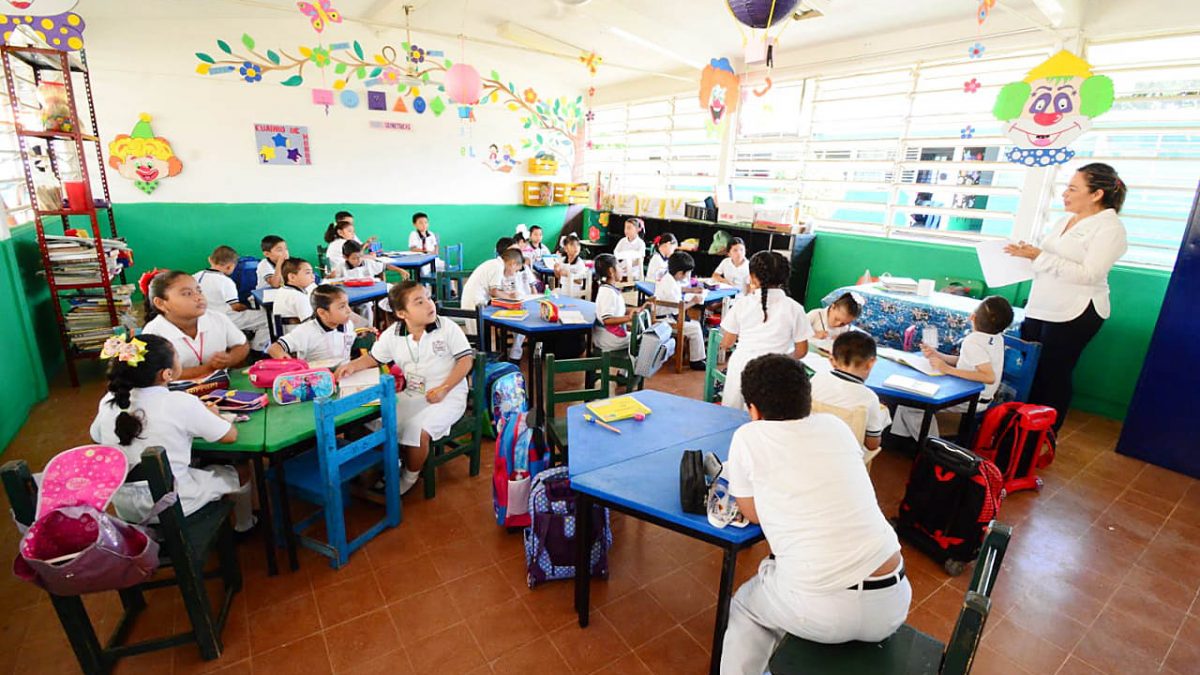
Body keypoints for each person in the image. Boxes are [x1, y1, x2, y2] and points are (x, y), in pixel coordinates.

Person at [721, 354, 910, 675]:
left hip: (820, 612)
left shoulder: (748, 437)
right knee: (790, 578)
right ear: (807, 398)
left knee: (747, 606)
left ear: (752, 409)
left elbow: (752, 514)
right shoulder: (835, 427)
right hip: (892, 603)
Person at [1005, 162, 1128, 431]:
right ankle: (1019, 433)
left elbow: (1089, 274)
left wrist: (1040, 256)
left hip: (1076, 311)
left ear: (1096, 194)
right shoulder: (1065, 220)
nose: (1065, 194)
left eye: (1073, 188)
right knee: (1030, 372)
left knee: (1053, 376)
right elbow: (1054, 258)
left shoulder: (1110, 228)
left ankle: (1043, 436)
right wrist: (1029, 253)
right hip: (1042, 305)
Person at [91, 333, 255, 529]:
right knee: (241, 470)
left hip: (126, 507)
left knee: (183, 465)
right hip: (173, 503)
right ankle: (245, 525)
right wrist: (213, 413)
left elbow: (96, 436)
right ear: (167, 374)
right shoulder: (181, 402)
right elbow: (230, 436)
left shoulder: (108, 401)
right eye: (177, 356)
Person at [335, 281, 474, 496]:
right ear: (402, 313)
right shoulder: (393, 334)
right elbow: (373, 358)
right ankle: (397, 460)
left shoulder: (446, 327)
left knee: (417, 430)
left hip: (449, 393)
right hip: (415, 393)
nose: (429, 305)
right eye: (419, 302)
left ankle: (409, 477)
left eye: (428, 298)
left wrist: (445, 388)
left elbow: (465, 361)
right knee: (374, 418)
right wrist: (351, 366)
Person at [891, 296, 1015, 441]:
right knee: (910, 401)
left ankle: (934, 448)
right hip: (980, 396)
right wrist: (939, 355)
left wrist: (947, 369)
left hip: (971, 399)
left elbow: (988, 376)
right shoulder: (997, 337)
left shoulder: (973, 341)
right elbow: (968, 362)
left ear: (972, 317)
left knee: (912, 405)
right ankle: (906, 441)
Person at [720, 251, 811, 409]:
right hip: (775, 370)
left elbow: (727, 343)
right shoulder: (795, 309)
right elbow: (801, 351)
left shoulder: (742, 304)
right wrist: (782, 357)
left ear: (753, 277)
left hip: (742, 365)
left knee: (732, 412)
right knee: (768, 413)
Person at [142, 270, 250, 380]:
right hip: (176, 393)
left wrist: (230, 358)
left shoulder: (217, 318)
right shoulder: (153, 333)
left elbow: (241, 345)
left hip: (221, 386)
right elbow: (159, 375)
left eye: (199, 290)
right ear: (160, 303)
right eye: (187, 293)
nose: (198, 297)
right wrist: (209, 368)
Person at [809, 331, 892, 454]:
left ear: (832, 359)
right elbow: (872, 445)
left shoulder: (815, 380)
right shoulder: (869, 398)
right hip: (846, 459)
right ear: (871, 363)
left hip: (812, 447)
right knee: (883, 413)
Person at [194, 245, 269, 352]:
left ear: (210, 260)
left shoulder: (197, 276)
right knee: (268, 318)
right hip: (226, 318)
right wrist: (247, 307)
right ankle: (256, 349)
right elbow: (236, 307)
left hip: (203, 318)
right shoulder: (225, 281)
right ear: (230, 267)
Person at [268, 285, 357, 364]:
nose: (349, 310)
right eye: (342, 307)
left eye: (347, 304)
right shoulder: (306, 331)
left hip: (345, 375)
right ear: (322, 313)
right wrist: (284, 358)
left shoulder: (348, 325)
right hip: (315, 377)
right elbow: (274, 348)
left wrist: (364, 336)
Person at [654, 250, 706, 370]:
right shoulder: (670, 285)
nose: (689, 276)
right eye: (687, 273)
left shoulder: (670, 278)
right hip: (665, 320)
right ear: (680, 273)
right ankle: (696, 361)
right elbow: (678, 309)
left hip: (667, 315)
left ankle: (697, 358)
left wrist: (691, 290)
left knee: (694, 325)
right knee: (695, 327)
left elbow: (679, 289)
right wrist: (694, 301)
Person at [592, 253, 645, 353]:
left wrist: (639, 309)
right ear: (611, 271)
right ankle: (636, 367)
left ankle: (634, 367)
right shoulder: (607, 292)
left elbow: (618, 310)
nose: (622, 270)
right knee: (647, 341)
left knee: (646, 339)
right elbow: (607, 319)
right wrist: (629, 318)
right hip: (609, 338)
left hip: (610, 335)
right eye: (619, 267)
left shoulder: (610, 289)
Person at [460, 237, 515, 333]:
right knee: (479, 337)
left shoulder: (497, 264)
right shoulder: (498, 267)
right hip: (474, 305)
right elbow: (494, 291)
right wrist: (510, 298)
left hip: (476, 302)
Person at [497, 249, 535, 360]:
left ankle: (516, 353)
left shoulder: (520, 271)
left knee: (522, 322)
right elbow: (496, 293)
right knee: (519, 324)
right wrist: (509, 296)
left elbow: (529, 288)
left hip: (522, 304)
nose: (515, 272)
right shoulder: (499, 274)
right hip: (505, 306)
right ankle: (515, 354)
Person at [273, 258, 317, 327]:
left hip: (286, 334)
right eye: (308, 273)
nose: (313, 276)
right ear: (292, 277)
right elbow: (311, 326)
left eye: (312, 272)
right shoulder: (298, 297)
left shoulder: (283, 290)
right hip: (298, 335)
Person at [612, 217, 646, 282]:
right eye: (625, 228)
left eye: (629, 228)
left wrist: (627, 266)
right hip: (621, 269)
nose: (626, 230)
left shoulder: (641, 243)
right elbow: (616, 253)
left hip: (633, 272)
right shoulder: (622, 241)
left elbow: (640, 260)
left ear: (637, 229)